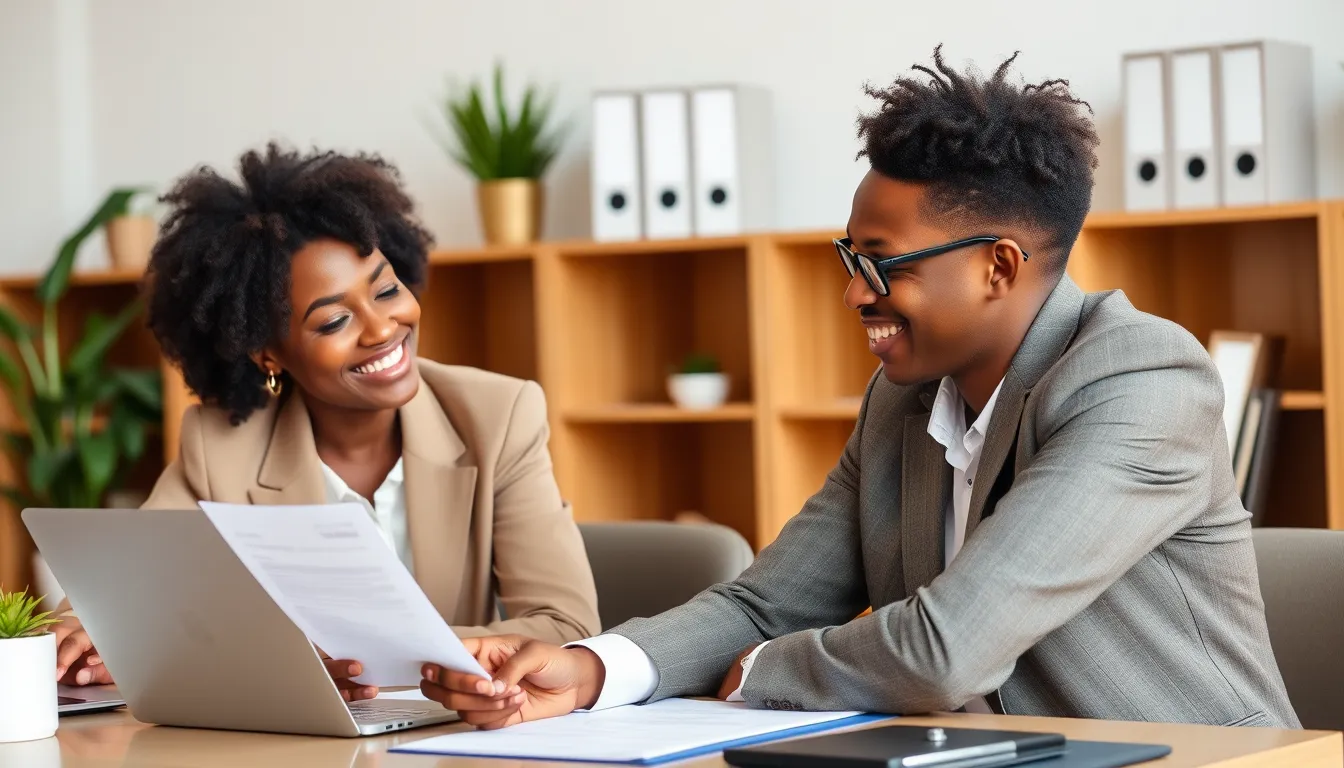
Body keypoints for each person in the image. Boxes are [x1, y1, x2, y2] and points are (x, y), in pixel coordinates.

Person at [416, 47, 1300, 730]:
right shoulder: (904, 400)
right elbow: (768, 600)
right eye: (850, 258)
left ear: (998, 266)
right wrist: (594, 669)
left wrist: (764, 671)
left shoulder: (1140, 380)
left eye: (882, 266)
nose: (853, 294)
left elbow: (946, 650)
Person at [53, 144, 600, 703]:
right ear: (268, 354)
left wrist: (336, 658)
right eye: (335, 319)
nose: (382, 328)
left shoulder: (498, 416)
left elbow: (567, 627)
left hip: (457, 732)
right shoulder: (221, 445)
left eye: (386, 289)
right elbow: (120, 590)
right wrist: (86, 631)